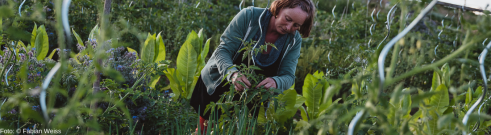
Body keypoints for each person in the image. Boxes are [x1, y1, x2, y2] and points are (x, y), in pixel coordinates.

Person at [190, 0, 315, 133]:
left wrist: (276, 82)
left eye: (296, 25)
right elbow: (223, 51)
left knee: (239, 130)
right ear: (278, 9)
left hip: (251, 95)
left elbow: (288, 76)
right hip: (218, 82)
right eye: (288, 19)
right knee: (203, 129)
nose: (289, 28)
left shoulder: (293, 41)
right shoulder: (249, 17)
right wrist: (232, 73)